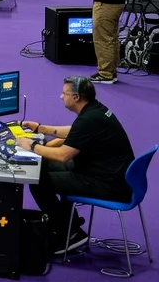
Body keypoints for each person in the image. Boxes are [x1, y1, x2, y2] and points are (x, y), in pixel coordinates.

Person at [17, 76, 135, 254]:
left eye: (64, 93)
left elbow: (63, 156)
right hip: (106, 173)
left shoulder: (89, 119)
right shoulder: (96, 110)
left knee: (37, 180)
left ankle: (69, 233)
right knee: (45, 165)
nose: (60, 97)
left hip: (107, 184)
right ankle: (69, 223)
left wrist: (32, 146)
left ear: (76, 97)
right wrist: (40, 128)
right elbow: (75, 131)